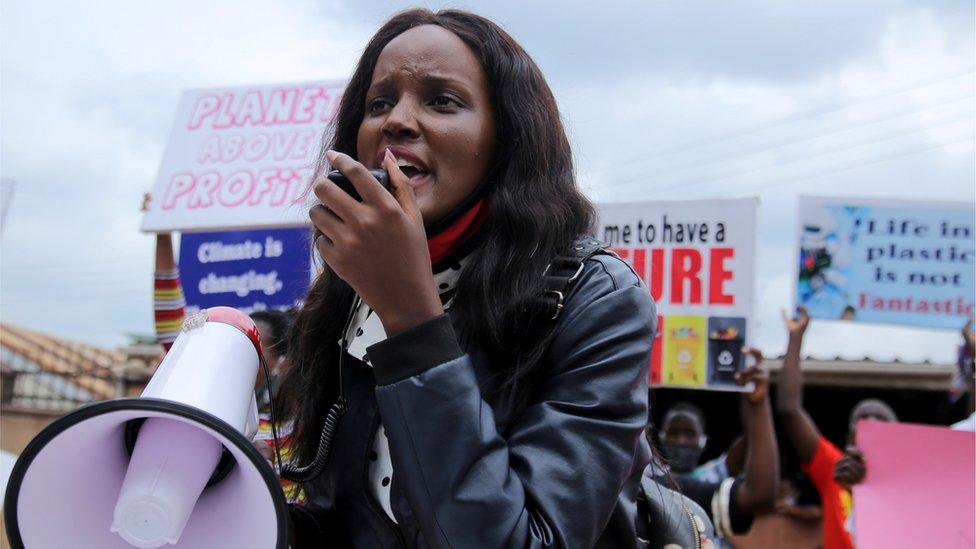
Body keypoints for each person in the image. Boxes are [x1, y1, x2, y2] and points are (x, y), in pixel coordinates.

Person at [277, 9, 656, 548]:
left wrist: (411, 321)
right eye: (379, 102)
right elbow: (350, 522)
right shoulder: (344, 297)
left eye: (441, 101)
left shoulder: (595, 299)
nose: (397, 121)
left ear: (507, 140)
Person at [776, 306, 898, 549]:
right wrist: (795, 338)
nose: (871, 423)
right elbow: (789, 410)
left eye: (880, 420)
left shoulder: (910, 483)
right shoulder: (834, 466)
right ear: (849, 436)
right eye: (862, 420)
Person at [649, 350, 778, 541]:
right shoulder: (646, 480)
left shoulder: (708, 481)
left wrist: (754, 399)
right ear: (657, 436)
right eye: (674, 433)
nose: (681, 441)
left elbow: (752, 444)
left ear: (703, 440)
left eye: (689, 434)